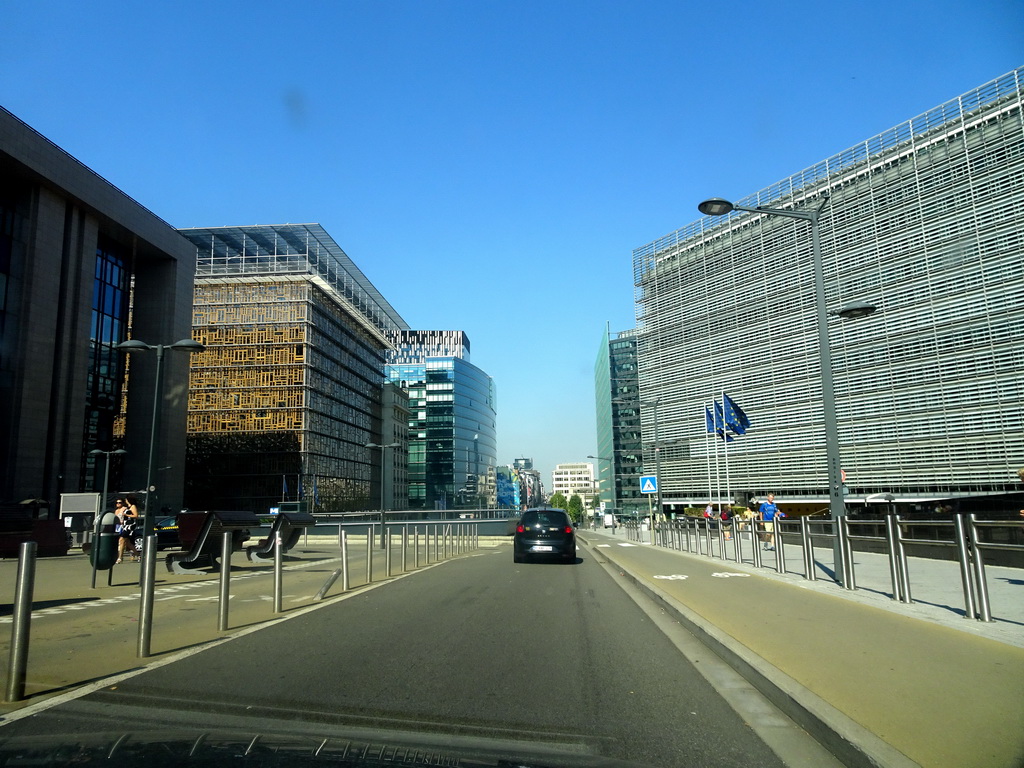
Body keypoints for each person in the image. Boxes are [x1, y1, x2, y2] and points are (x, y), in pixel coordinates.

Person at [116, 495, 140, 564]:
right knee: (128, 543)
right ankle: (138, 555)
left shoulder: (133, 507)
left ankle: (120, 557)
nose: (126, 501)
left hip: (130, 526)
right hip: (125, 525)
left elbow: (135, 516)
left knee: (121, 540)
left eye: (126, 499)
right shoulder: (127, 507)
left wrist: (126, 515)